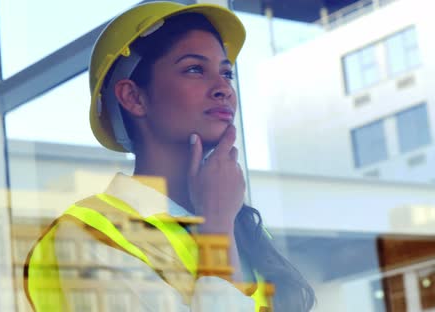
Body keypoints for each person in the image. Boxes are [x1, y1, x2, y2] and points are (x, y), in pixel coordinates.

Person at [23, 2, 315, 311]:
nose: (223, 89)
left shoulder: (240, 224)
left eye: (227, 73)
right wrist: (216, 230)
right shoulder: (87, 236)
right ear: (133, 97)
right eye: (194, 69)